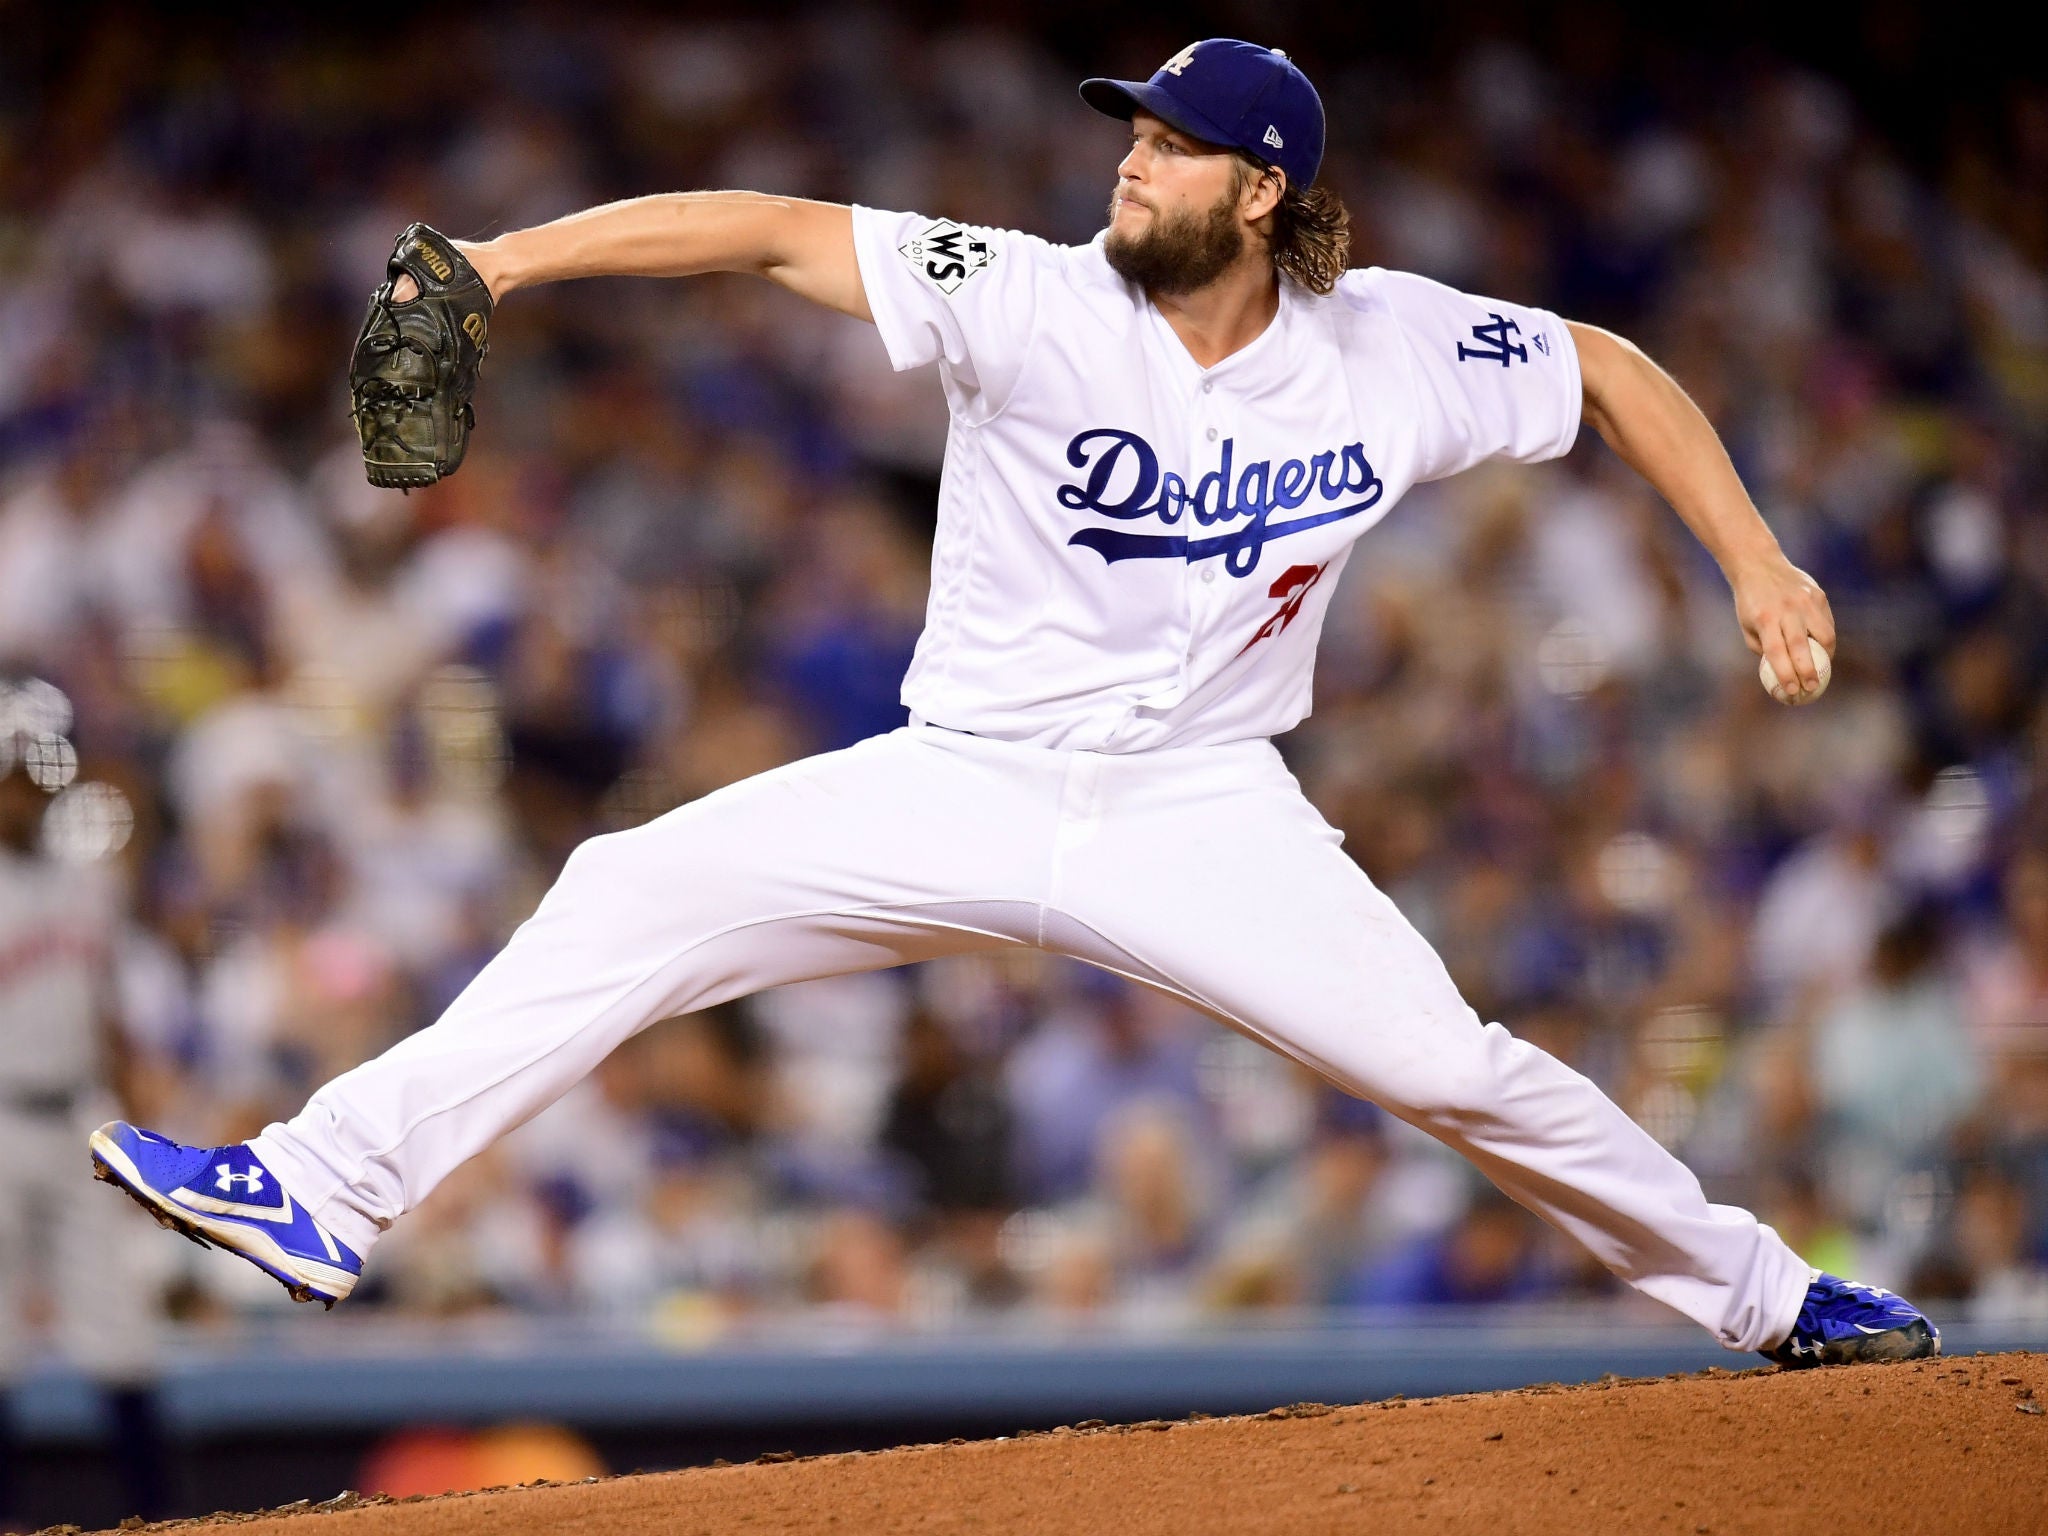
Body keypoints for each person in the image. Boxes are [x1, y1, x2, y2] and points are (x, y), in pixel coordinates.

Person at [91, 39, 1934, 1368]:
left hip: (1205, 805)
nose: (1130, 164)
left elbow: (1606, 365)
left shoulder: (1390, 349)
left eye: (1173, 148)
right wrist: (504, 263)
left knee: (1455, 1071)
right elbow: (766, 228)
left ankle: (1772, 1296)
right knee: (625, 886)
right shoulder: (1028, 300)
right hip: (959, 776)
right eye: (1130, 134)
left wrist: (1754, 561)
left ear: (1264, 188)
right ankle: (321, 1189)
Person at [0, 685, 163, 1524]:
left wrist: (134, 1101)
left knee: (122, 1332)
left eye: (34, 780)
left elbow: (107, 1007)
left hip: (76, 1117)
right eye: (12, 781)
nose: (25, 796)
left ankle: (158, 1516)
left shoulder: (84, 884)